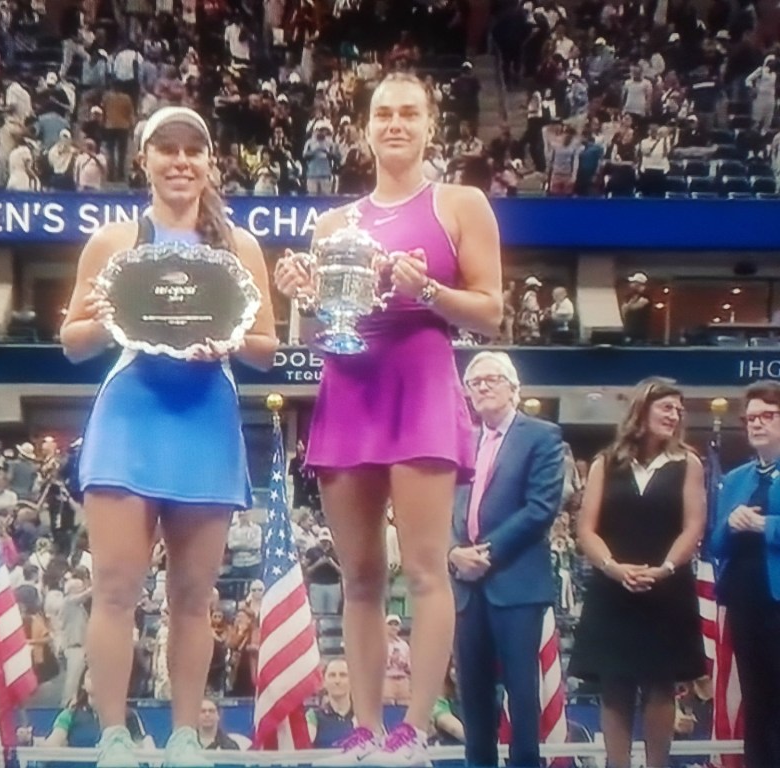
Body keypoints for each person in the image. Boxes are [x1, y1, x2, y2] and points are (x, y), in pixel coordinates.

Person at [274, 71, 502, 765]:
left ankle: (415, 727)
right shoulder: (333, 225)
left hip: (421, 383)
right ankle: (367, 727)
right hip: (350, 388)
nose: (396, 124)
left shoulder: (461, 203)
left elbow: (490, 313)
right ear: (365, 129)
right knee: (361, 575)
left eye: (409, 112)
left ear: (431, 126)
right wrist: (302, 295)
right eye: (383, 114)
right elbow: (328, 323)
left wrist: (427, 289)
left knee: (426, 569)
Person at [59, 105, 278, 768]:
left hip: (205, 419)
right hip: (131, 418)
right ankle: (114, 736)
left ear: (210, 161)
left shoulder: (240, 248)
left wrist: (229, 341)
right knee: (116, 588)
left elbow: (266, 349)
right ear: (145, 160)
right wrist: (106, 321)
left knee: (193, 595)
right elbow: (72, 342)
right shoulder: (112, 242)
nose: (180, 162)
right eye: (167, 150)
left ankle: (185, 736)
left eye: (193, 150)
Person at [570, 378, 706, 768]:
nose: (675, 415)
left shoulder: (688, 463)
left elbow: (693, 526)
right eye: (666, 407)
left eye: (678, 410)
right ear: (642, 410)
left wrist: (665, 568)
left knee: (662, 685)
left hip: (668, 587)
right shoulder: (606, 462)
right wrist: (613, 568)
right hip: (613, 587)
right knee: (615, 686)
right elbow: (586, 529)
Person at [450, 351, 564, 768]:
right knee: (473, 696)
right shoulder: (461, 440)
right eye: (474, 382)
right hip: (465, 586)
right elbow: (444, 509)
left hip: (516, 583)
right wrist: (453, 553)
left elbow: (540, 508)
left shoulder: (542, 436)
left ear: (514, 388)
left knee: (522, 695)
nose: (481, 387)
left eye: (491, 379)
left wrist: (485, 553)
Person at [710, 380, 780, 768]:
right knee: (756, 700)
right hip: (744, 602)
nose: (756, 423)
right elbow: (715, 544)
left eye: (767, 415)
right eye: (750, 418)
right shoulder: (736, 479)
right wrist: (731, 525)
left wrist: (766, 526)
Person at [307, 658, 357, 748]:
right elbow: (304, 750)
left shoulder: (362, 716)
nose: (337, 681)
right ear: (324, 682)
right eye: (332, 675)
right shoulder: (313, 716)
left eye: (343, 675)